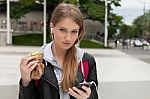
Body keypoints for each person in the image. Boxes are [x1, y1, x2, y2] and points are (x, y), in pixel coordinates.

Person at [19, 3, 98, 99]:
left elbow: (95, 95)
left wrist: (88, 98)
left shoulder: (87, 61)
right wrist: (25, 82)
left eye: (74, 31)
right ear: (52, 27)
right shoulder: (36, 61)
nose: (68, 38)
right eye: (62, 30)